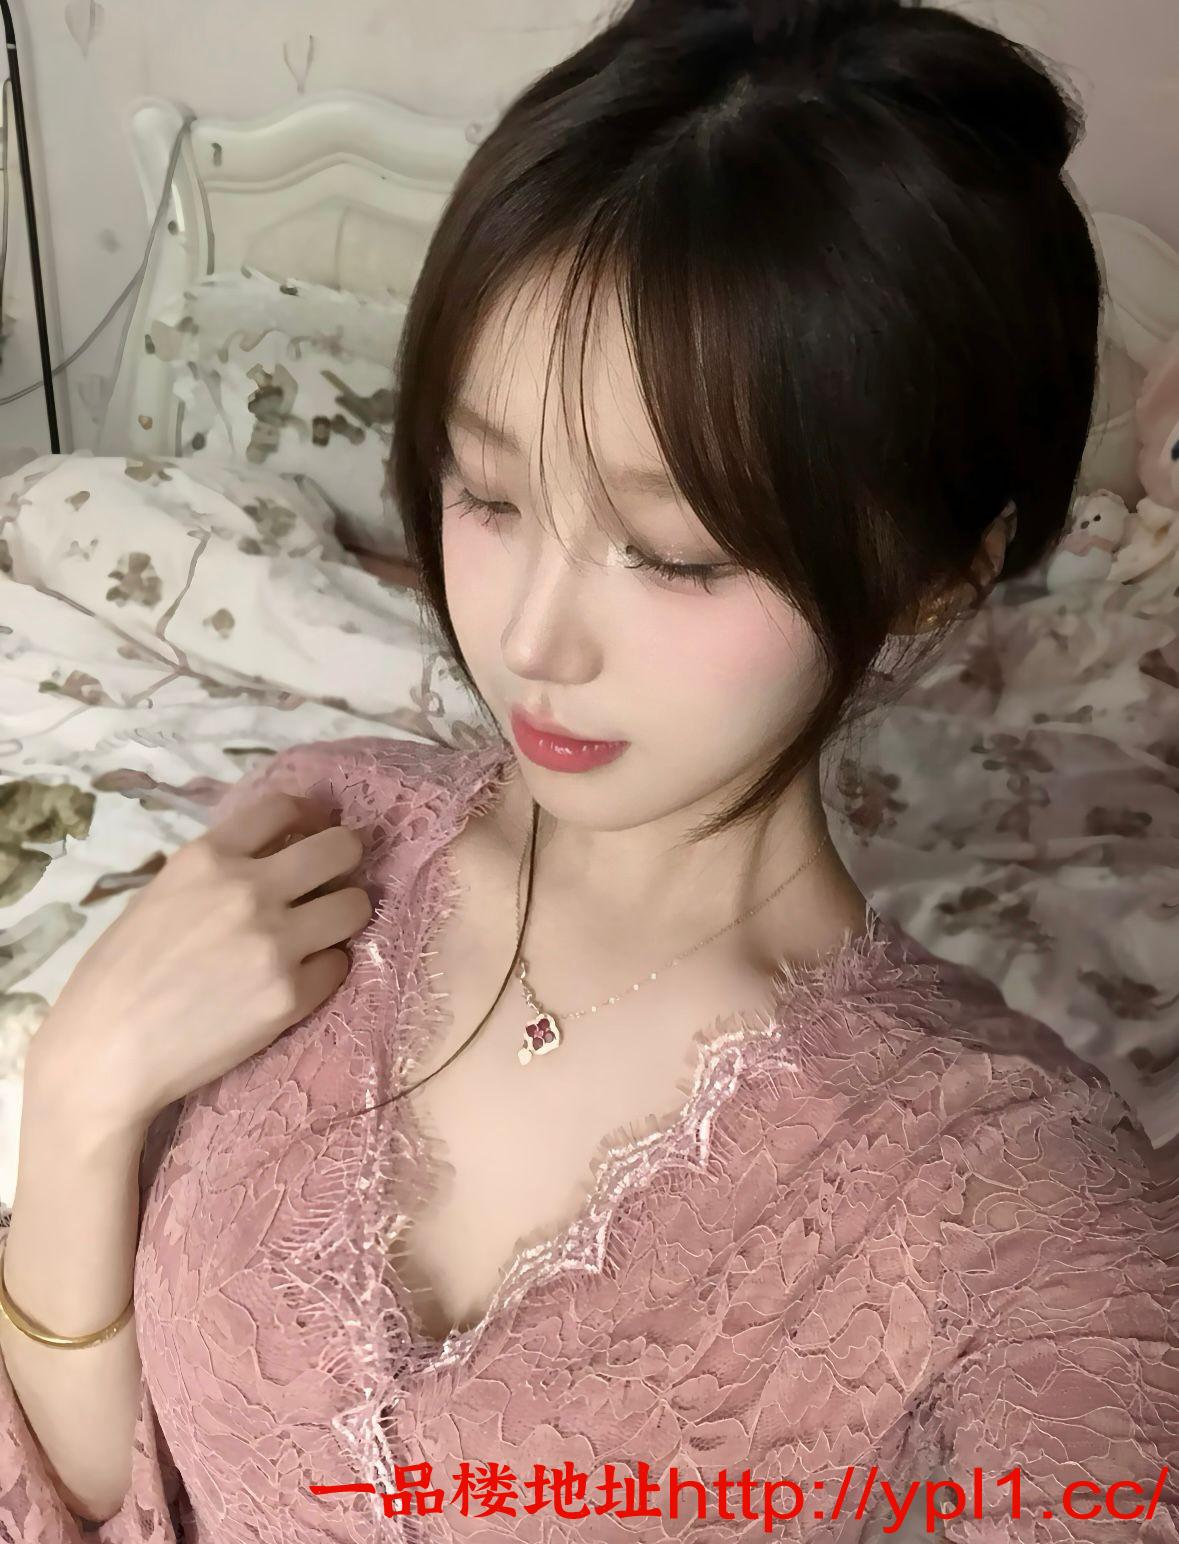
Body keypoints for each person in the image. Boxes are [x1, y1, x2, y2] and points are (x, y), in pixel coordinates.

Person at [1, 0, 1176, 1539]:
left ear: (934, 581)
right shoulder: (315, 837)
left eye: (677, 554)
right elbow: (95, 1489)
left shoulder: (1023, 1205)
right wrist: (79, 1098)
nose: (528, 638)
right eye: (487, 494)